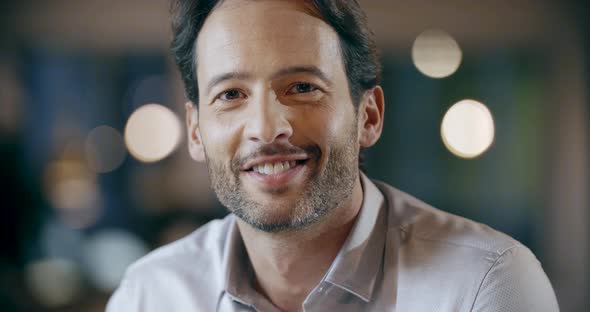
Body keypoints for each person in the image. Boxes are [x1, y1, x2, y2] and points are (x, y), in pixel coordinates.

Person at [107, 0, 559, 311]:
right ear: (195, 131)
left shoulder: (485, 286)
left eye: (302, 87)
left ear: (369, 116)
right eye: (230, 94)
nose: (266, 127)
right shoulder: (148, 295)